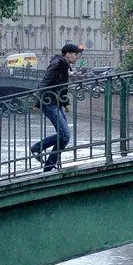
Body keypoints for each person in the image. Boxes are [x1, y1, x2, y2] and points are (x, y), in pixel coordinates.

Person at [31, 43, 82, 171]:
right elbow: (45, 82)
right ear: (68, 54)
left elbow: (61, 86)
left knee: (65, 137)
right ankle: (37, 148)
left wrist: (65, 103)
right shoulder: (57, 64)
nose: (77, 57)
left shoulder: (64, 65)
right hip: (49, 103)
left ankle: (49, 164)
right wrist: (37, 103)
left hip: (56, 102)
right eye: (76, 55)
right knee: (64, 135)